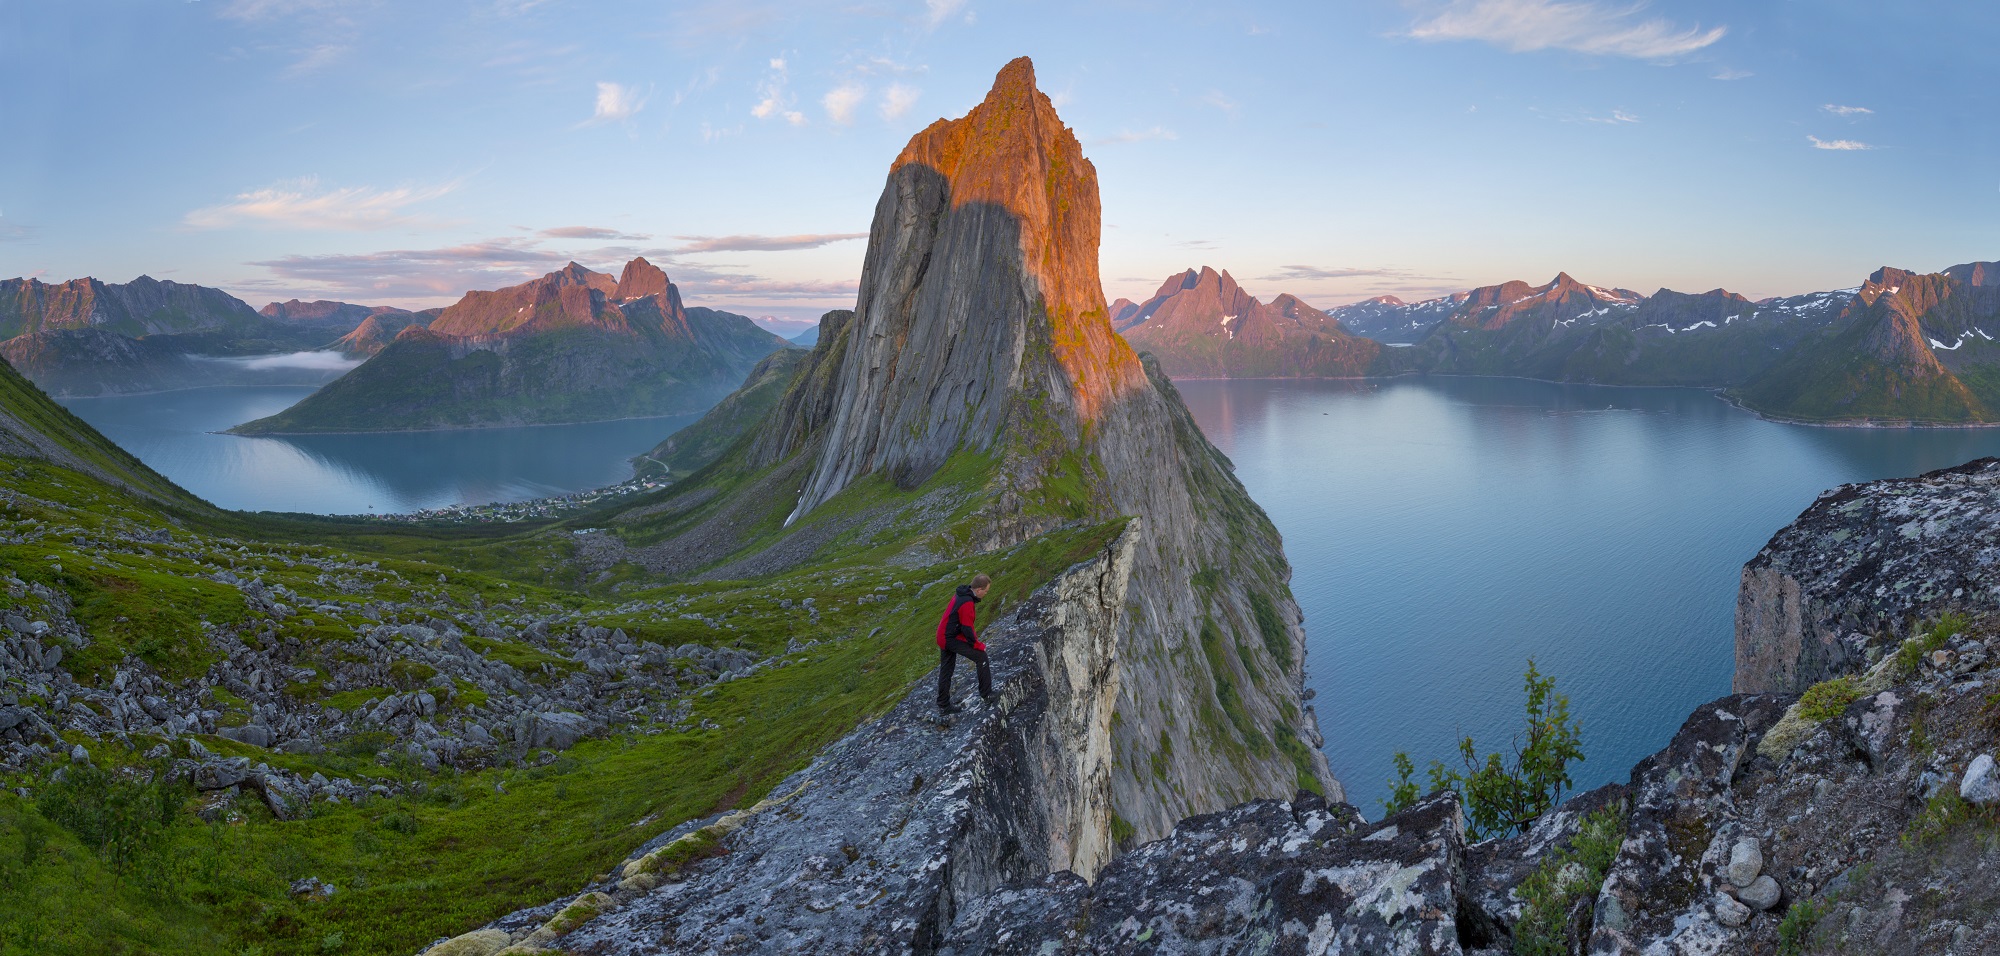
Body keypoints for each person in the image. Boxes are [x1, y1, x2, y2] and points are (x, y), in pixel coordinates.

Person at [936, 573, 992, 714]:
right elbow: (967, 628)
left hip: (943, 635)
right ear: (978, 590)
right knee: (981, 657)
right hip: (949, 638)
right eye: (986, 591)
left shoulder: (962, 594)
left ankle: (943, 705)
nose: (986, 594)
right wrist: (977, 645)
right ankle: (987, 694)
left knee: (946, 670)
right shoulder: (967, 602)